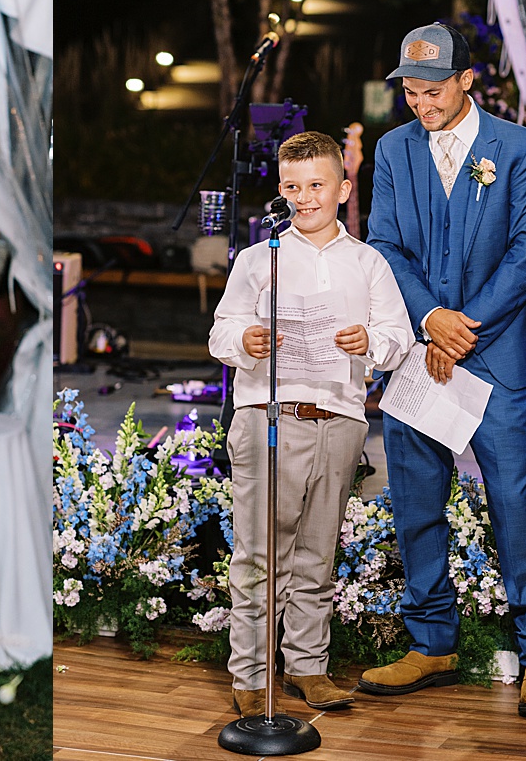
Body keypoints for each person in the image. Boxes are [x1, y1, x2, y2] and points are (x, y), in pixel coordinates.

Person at [362, 22, 526, 717]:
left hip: (493, 357)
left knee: (512, 503)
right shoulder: (392, 150)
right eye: (412, 92)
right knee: (416, 504)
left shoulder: (519, 148)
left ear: (467, 80)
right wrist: (428, 321)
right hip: (421, 358)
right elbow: (384, 243)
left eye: (434, 89)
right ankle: (432, 644)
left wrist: (463, 326)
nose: (422, 104)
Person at [209, 131, 414, 718]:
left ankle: (307, 666)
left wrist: (369, 340)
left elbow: (398, 338)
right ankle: (249, 674)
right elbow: (221, 332)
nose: (305, 197)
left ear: (343, 188)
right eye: (293, 186)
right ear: (280, 189)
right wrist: (244, 339)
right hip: (267, 416)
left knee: (317, 553)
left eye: (317, 185)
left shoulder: (367, 262)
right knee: (259, 553)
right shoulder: (259, 257)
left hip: (341, 419)